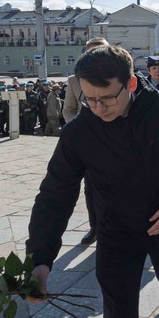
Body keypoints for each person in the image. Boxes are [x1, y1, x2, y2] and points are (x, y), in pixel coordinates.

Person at [26, 44, 159, 318]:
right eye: (89, 100)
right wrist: (40, 260)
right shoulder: (80, 132)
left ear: (131, 84)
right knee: (117, 308)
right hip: (116, 231)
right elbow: (55, 194)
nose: (98, 108)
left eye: (107, 98)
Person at [62, 38, 110, 245]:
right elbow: (68, 109)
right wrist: (81, 131)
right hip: (90, 145)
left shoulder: (117, 76)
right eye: (91, 53)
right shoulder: (74, 80)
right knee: (90, 188)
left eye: (100, 51)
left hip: (115, 140)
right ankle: (95, 227)